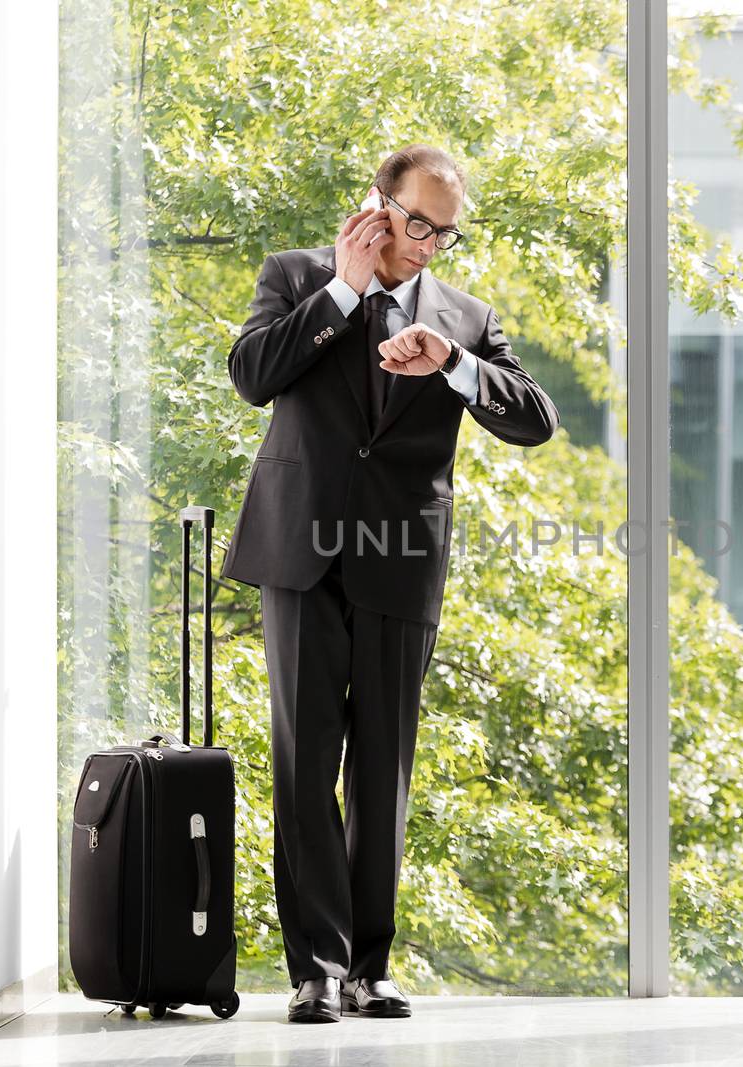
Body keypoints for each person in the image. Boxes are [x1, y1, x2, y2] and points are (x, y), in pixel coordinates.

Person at [219, 143, 560, 1023]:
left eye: (446, 233)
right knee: (304, 767)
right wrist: (341, 291)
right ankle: (317, 971)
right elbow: (253, 376)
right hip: (300, 550)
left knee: (383, 768)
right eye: (417, 223)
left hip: (400, 556)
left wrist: (452, 360)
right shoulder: (298, 277)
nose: (427, 245)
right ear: (378, 205)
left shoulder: (466, 317)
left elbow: (536, 420)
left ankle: (371, 966)